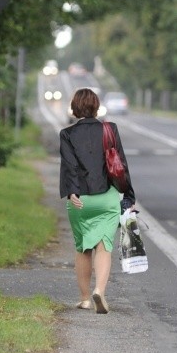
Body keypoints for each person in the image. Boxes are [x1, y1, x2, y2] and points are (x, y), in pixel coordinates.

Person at [59, 88, 136, 314]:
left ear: (74, 108)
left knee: (83, 247)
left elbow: (69, 167)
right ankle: (99, 291)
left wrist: (72, 193)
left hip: (80, 200)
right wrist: (129, 195)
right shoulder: (109, 129)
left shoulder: (67, 134)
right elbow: (120, 164)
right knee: (104, 246)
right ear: (96, 106)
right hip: (106, 198)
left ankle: (84, 299)